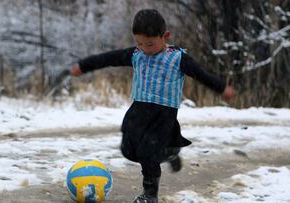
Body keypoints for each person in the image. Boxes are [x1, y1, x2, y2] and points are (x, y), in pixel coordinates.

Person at [69, 9, 234, 203]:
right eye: (139, 43)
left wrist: (221, 88)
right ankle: (171, 152)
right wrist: (84, 65)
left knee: (148, 151)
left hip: (163, 115)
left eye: (150, 44)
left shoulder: (178, 58)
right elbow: (108, 58)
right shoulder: (136, 54)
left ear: (165, 37)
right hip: (138, 110)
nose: (145, 48)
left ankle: (150, 194)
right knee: (128, 150)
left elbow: (201, 74)